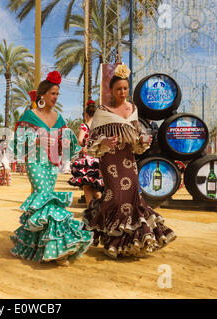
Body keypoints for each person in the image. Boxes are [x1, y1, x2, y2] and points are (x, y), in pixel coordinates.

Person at [82, 64, 176, 259]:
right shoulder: (102, 111)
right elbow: (90, 141)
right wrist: (104, 141)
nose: (122, 92)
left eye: (125, 88)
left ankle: (126, 243)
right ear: (111, 90)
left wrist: (143, 140)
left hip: (127, 159)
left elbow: (135, 135)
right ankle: (104, 233)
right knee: (114, 197)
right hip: (110, 161)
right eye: (118, 89)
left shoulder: (133, 108)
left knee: (131, 198)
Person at [9, 71, 92, 266]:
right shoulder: (30, 115)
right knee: (44, 197)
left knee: (45, 202)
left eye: (57, 94)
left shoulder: (59, 117)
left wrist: (74, 146)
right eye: (52, 93)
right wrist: (37, 139)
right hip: (35, 162)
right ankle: (58, 248)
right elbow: (18, 141)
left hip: (52, 163)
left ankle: (41, 246)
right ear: (43, 95)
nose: (55, 97)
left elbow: (69, 142)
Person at [68, 100, 104, 206]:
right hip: (97, 159)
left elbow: (80, 140)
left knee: (87, 187)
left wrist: (84, 145)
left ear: (86, 114)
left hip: (87, 159)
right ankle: (102, 211)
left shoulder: (85, 126)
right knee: (96, 187)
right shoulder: (99, 127)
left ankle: (90, 211)